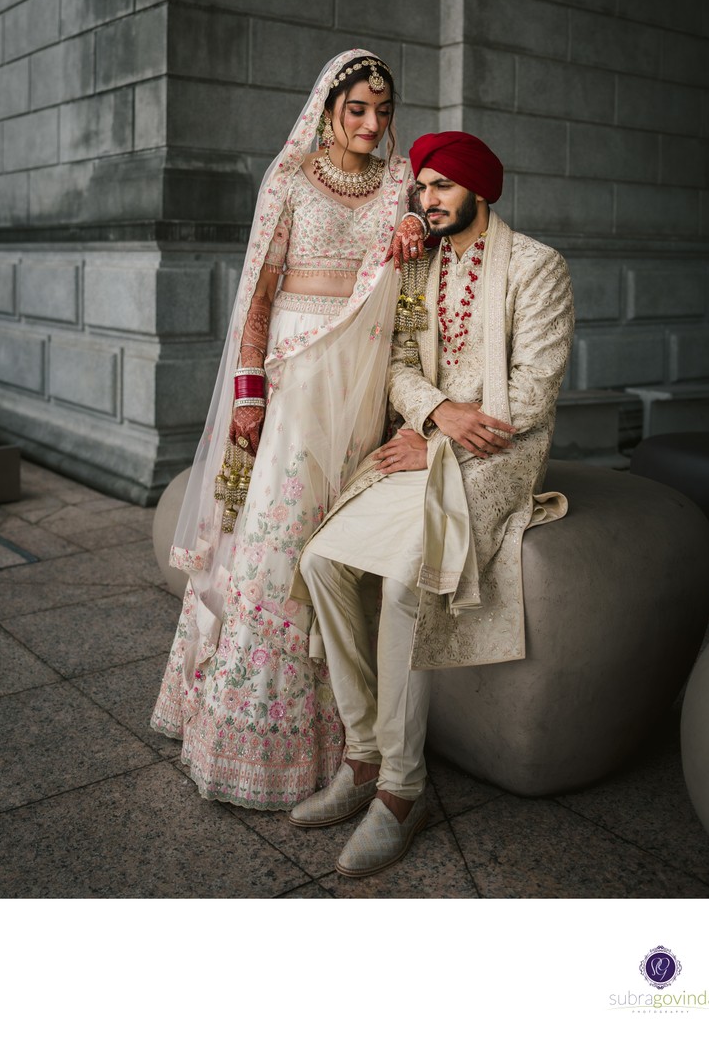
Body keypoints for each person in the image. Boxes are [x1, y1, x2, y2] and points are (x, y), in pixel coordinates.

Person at [290, 130, 575, 876]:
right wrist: (433, 415)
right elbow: (396, 365)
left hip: (500, 451)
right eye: (421, 188)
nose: (427, 200)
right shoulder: (419, 265)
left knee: (412, 575)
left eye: (441, 186)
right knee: (322, 559)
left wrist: (446, 432)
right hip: (434, 436)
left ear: (479, 187)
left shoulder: (538, 267)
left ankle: (400, 788)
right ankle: (360, 755)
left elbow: (534, 391)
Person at [151, 49, 426, 809]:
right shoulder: (290, 180)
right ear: (328, 109)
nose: (372, 125)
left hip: (365, 381)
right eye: (357, 110)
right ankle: (251, 734)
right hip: (296, 376)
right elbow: (258, 295)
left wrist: (412, 223)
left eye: (382, 111)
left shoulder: (401, 185)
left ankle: (356, 744)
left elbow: (426, 251)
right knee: (278, 537)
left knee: (346, 543)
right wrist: (247, 394)